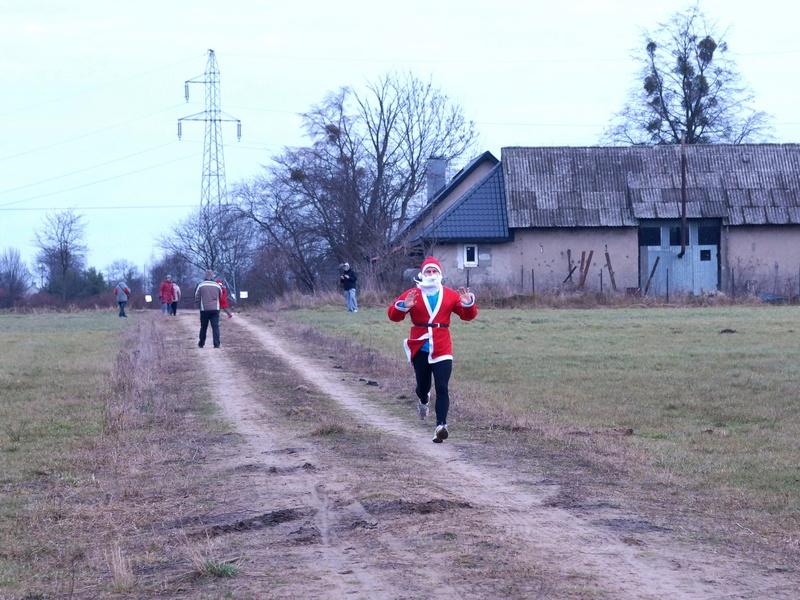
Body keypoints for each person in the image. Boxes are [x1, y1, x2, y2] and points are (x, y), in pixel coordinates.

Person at [387, 256, 477, 443]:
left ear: (440, 274)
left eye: (434, 271)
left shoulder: (451, 295)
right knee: (423, 386)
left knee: (442, 386)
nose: (431, 274)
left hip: (443, 346)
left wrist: (468, 303)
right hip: (420, 345)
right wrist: (404, 306)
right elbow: (393, 316)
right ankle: (423, 400)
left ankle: (441, 426)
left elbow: (468, 316)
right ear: (422, 274)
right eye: (428, 271)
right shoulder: (413, 293)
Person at [194, 270, 223, 348]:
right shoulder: (217, 285)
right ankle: (216, 344)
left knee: (203, 327)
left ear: (205, 276)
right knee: (215, 327)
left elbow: (196, 297)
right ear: (212, 276)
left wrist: (198, 306)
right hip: (215, 309)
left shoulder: (201, 285)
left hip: (204, 310)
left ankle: (201, 343)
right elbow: (220, 295)